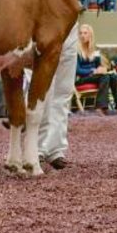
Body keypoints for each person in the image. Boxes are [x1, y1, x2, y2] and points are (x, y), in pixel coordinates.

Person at [38, 21, 81, 170]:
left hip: (71, 19)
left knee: (64, 90)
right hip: (47, 18)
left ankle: (55, 149)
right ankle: (37, 148)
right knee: (43, 89)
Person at [74, 23, 117, 115]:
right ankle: (101, 107)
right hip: (81, 78)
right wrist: (93, 71)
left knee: (113, 76)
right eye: (81, 33)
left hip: (95, 76)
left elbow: (98, 66)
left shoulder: (95, 50)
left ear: (90, 35)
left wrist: (101, 69)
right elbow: (77, 70)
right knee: (105, 77)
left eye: (85, 33)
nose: (82, 35)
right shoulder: (76, 51)